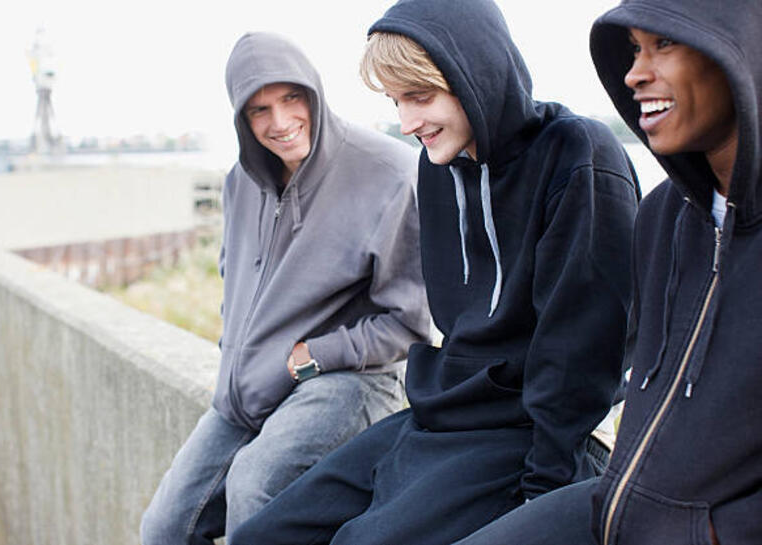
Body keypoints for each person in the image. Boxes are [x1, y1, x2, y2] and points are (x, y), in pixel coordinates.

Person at [230, 1, 640, 544]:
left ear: (477, 77)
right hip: (440, 412)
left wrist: (541, 499)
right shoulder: (439, 164)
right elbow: (456, 319)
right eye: (397, 102)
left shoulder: (579, 155)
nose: (407, 123)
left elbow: (581, 354)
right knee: (264, 535)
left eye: (420, 97)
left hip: (524, 430)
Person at [451, 1, 762, 544]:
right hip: (617, 505)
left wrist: (720, 533)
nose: (635, 73)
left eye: (664, 45)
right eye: (636, 49)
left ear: (740, 52)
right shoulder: (664, 215)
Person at [140, 31, 432, 544]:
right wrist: (239, 360)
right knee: (164, 528)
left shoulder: (391, 174)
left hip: (349, 378)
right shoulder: (240, 181)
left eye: (291, 99)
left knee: (256, 488)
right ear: (241, 119)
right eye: (259, 110)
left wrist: (311, 355)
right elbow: (236, 283)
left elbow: (410, 325)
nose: (279, 122)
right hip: (246, 391)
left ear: (314, 93)